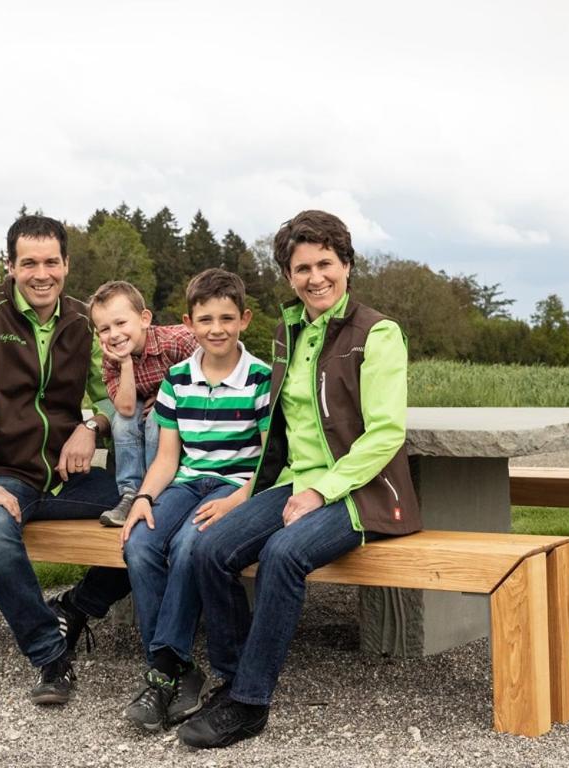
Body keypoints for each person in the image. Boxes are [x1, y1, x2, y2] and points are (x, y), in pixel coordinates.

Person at [177, 210, 421, 749]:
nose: (315, 277)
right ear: (289, 276)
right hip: (295, 482)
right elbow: (283, 431)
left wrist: (320, 491)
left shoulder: (378, 333)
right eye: (302, 267)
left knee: (284, 555)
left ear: (348, 265)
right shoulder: (290, 330)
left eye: (325, 263)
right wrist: (250, 492)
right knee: (210, 549)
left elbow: (384, 436)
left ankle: (250, 702)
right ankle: (233, 675)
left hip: (361, 493)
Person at [0, 214, 130, 706]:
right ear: (9, 266)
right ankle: (51, 655)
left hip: (63, 480)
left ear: (66, 264)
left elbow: (115, 396)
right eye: (28, 262)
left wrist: (89, 426)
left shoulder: (81, 320)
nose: (41, 274)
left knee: (153, 514)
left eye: (51, 262)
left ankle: (76, 608)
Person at [117, 268, 272, 732]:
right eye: (205, 319)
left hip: (234, 485)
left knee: (188, 545)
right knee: (140, 544)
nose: (217, 328)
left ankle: (161, 673)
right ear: (189, 322)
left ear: (244, 319)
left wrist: (239, 500)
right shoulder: (177, 379)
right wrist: (143, 497)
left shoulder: (262, 379)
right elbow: (167, 458)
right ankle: (178, 671)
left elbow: (269, 458)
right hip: (186, 482)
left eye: (227, 318)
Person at [88, 281, 197, 526]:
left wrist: (167, 397)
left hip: (184, 405)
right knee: (122, 421)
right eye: (104, 329)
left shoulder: (176, 341)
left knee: (156, 420)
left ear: (144, 319)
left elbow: (207, 368)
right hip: (139, 404)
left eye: (121, 323)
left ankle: (155, 491)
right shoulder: (111, 360)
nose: (114, 334)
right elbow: (125, 407)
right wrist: (125, 363)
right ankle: (129, 494)